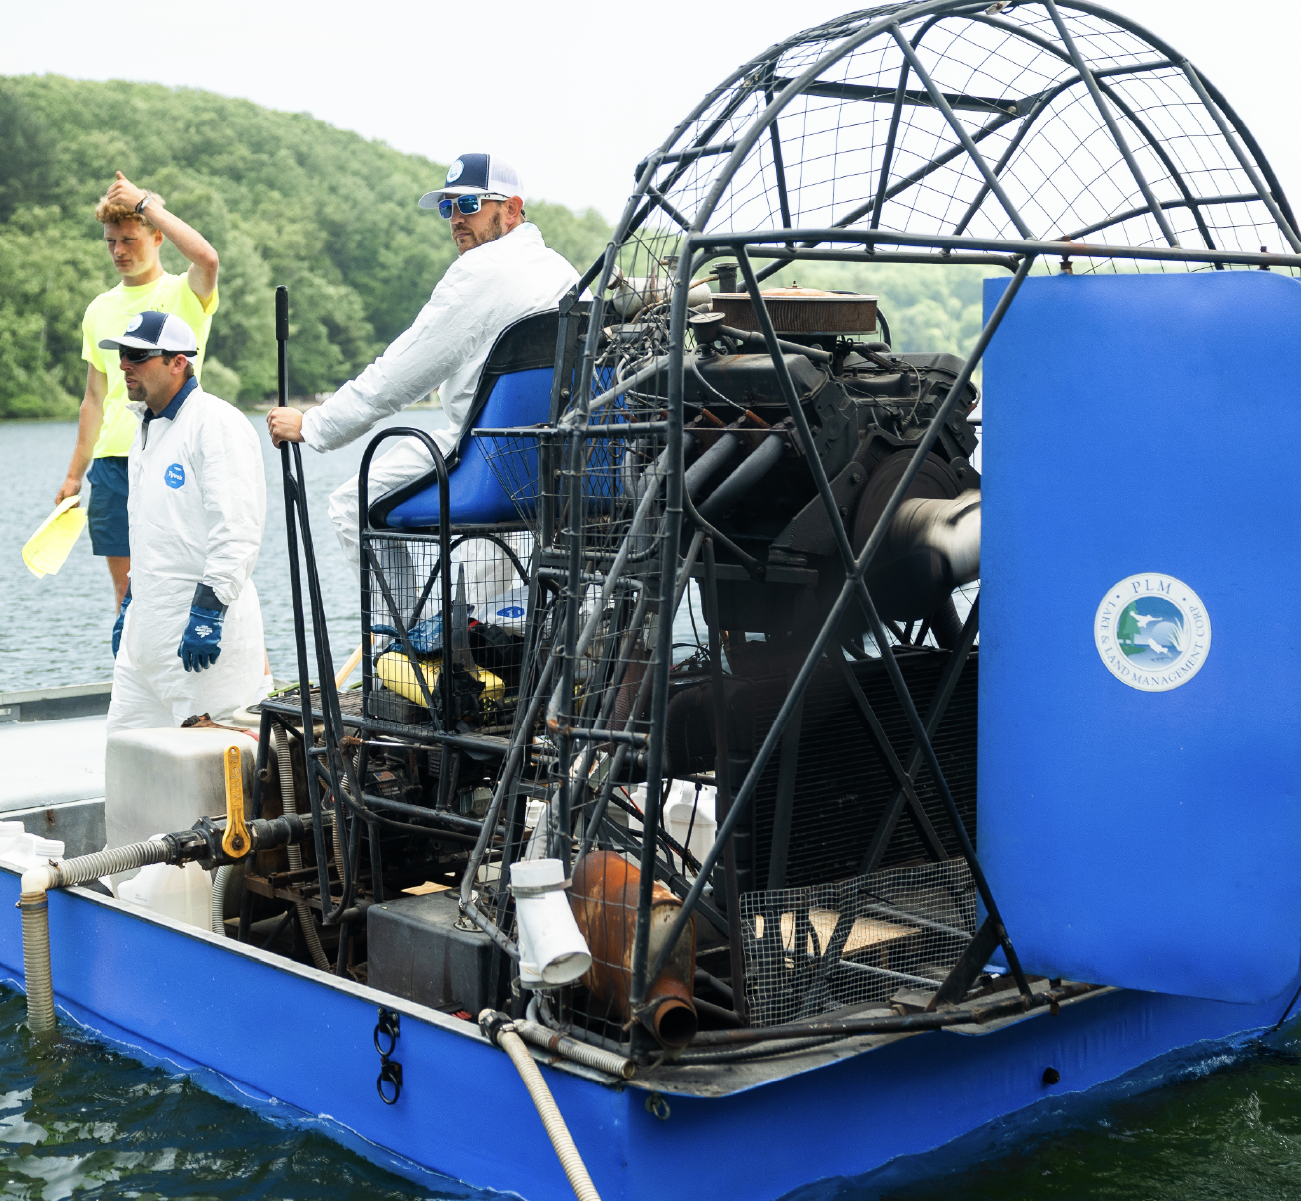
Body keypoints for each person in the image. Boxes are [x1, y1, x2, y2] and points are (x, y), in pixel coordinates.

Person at [265, 153, 578, 587]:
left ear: (510, 208)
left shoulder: (478, 272)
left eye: (469, 205)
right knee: (485, 587)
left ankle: (408, 636)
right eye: (447, 207)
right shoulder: (561, 271)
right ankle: (487, 629)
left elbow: (398, 376)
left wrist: (315, 425)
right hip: (556, 465)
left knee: (351, 504)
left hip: (482, 459)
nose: (455, 219)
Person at [55, 173, 220, 612]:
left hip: (173, 452)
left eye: (129, 240)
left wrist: (145, 202)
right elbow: (94, 398)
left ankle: (242, 677)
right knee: (128, 593)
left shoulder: (182, 294)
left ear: (157, 235)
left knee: (194, 578)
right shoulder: (99, 309)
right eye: (110, 242)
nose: (119, 251)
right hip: (112, 465)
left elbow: (207, 259)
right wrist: (74, 474)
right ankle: (132, 679)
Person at [101, 313, 266, 735]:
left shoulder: (216, 423)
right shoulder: (146, 427)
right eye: (122, 354)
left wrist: (208, 614)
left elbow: (237, 529)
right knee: (128, 759)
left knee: (215, 774)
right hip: (145, 644)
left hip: (203, 641)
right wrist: (130, 608)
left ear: (177, 362)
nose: (124, 365)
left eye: (138, 355)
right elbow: (152, 533)